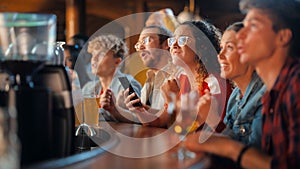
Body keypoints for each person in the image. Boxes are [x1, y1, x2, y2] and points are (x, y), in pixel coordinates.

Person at [185, 0, 300, 168]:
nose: (241, 35)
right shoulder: (273, 92)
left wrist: (229, 147)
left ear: (282, 37)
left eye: (253, 25)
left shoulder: (295, 84)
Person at [164, 20, 232, 132]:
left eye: (182, 40)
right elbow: (167, 121)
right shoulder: (182, 79)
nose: (174, 45)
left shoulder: (214, 83)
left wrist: (173, 101)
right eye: (172, 40)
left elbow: (200, 130)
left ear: (202, 47)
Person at [122, 25, 190, 127]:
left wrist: (140, 109)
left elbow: (173, 121)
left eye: (146, 40)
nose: (140, 47)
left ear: (166, 44)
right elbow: (150, 119)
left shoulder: (181, 75)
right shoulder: (150, 78)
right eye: (138, 44)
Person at [82, 34, 142, 123]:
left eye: (101, 55)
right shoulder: (89, 87)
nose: (94, 59)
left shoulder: (127, 83)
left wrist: (115, 110)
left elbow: (139, 119)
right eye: (93, 54)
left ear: (117, 61)